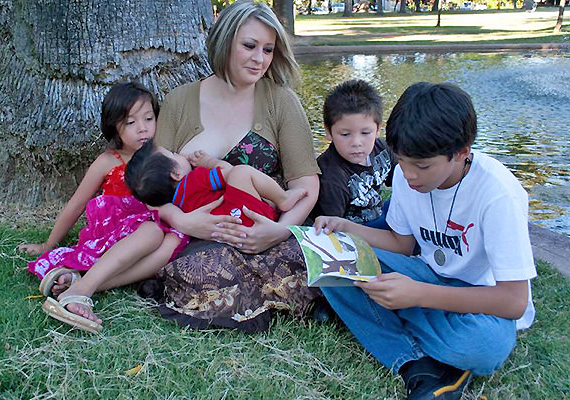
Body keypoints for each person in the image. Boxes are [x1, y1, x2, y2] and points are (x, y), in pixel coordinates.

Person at [314, 82, 537, 399]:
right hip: (427, 274)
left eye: (422, 166)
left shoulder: (497, 193)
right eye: (401, 161)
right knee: (335, 266)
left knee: (484, 347)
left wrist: (417, 295)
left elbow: (513, 302)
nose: (408, 175)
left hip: (482, 299)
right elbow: (401, 244)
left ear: (461, 153)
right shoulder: (408, 174)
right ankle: (419, 364)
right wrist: (347, 227)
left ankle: (395, 332)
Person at [140, 0, 321, 333]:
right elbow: (155, 184)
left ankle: (262, 292)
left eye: (268, 49)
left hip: (269, 226)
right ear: (225, 42)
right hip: (198, 234)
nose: (259, 59)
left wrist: (278, 231)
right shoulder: (180, 101)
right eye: (249, 46)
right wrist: (182, 219)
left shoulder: (282, 101)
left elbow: (306, 186)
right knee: (201, 270)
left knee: (304, 259)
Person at [19, 82, 187, 333]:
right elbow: (76, 204)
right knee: (152, 232)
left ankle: (81, 283)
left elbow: (186, 182)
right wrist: (49, 243)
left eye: (149, 119)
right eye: (130, 123)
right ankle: (83, 289)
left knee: (170, 244)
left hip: (156, 230)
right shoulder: (108, 161)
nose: (142, 129)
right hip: (116, 232)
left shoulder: (162, 157)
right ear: (114, 127)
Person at [125, 140, 307, 226]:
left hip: (237, 224)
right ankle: (283, 199)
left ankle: (271, 204)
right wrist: (209, 162)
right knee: (240, 173)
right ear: (176, 174)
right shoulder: (193, 181)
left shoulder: (177, 204)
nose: (178, 154)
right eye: (173, 154)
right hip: (246, 214)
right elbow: (226, 172)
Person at [313, 79, 396, 229]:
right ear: (328, 132)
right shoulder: (330, 176)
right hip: (355, 232)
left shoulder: (383, 149)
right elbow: (331, 227)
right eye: (345, 134)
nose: (356, 142)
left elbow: (404, 183)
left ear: (378, 129)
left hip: (381, 214)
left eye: (365, 133)